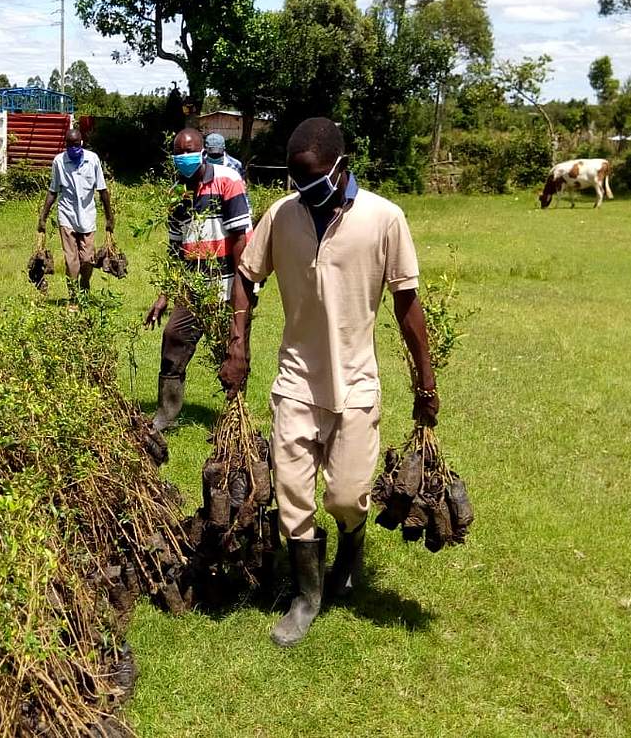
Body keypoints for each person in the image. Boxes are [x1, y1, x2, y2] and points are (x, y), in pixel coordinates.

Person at [218, 117, 440, 648]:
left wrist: (425, 385)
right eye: (298, 182)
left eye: (315, 180)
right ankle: (307, 596)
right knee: (293, 496)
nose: (306, 192)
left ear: (342, 165)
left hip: (356, 385)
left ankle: (351, 547)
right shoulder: (282, 215)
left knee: (347, 495)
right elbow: (246, 279)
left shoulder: (384, 219)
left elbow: (407, 305)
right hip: (295, 381)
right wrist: (238, 343)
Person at [145, 128, 253, 433]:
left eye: (189, 151)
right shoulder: (175, 194)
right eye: (178, 153)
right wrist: (165, 295)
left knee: (233, 350)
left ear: (203, 151)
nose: (184, 158)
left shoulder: (227, 181)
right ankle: (166, 413)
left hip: (229, 283)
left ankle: (235, 420)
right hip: (193, 286)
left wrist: (243, 292)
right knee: (173, 338)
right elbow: (175, 249)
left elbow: (241, 240)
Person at [37, 128, 115, 296]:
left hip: (87, 216)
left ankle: (84, 285)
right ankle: (73, 296)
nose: (73, 148)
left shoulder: (92, 160)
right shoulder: (59, 161)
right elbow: (53, 191)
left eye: (76, 144)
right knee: (71, 261)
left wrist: (109, 217)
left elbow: (102, 190)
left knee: (87, 260)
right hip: (67, 216)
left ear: (81, 143)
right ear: (65, 145)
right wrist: (43, 217)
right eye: (69, 145)